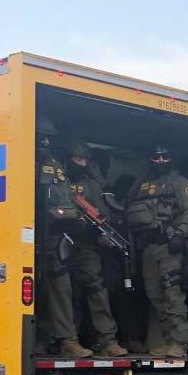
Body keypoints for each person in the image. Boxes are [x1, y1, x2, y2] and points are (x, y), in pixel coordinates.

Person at [126, 145, 188, 358]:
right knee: (154, 294)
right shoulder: (141, 183)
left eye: (164, 156)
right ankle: (169, 340)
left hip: (169, 246)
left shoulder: (180, 182)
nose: (160, 160)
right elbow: (128, 207)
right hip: (147, 248)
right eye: (156, 157)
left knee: (172, 294)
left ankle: (179, 342)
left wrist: (181, 233)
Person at [35, 117, 93, 358]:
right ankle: (39, 338)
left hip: (53, 236)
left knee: (61, 287)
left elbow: (67, 199)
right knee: (33, 291)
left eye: (50, 138)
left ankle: (67, 340)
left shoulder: (56, 167)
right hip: (30, 235)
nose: (46, 142)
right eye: (42, 137)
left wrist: (75, 220)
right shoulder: (20, 159)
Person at [64, 141, 127, 357]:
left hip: (85, 245)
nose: (81, 164)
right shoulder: (57, 181)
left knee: (96, 289)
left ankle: (108, 340)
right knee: (64, 293)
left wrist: (100, 235)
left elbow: (102, 215)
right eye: (77, 159)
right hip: (58, 242)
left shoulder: (91, 185)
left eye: (84, 160)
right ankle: (63, 340)